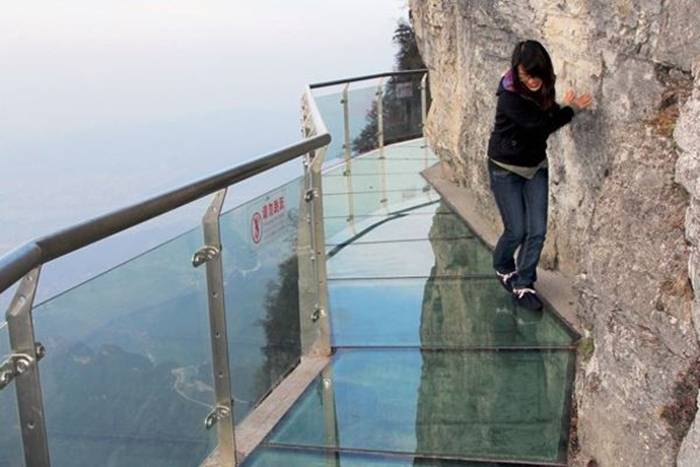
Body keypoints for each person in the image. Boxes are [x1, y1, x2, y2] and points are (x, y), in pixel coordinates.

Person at [486, 40, 592, 310]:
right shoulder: (509, 97)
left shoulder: (545, 84)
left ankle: (523, 284)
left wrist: (559, 107)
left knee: (538, 231)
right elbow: (538, 125)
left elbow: (544, 113)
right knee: (517, 230)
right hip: (505, 168)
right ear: (517, 73)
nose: (532, 81)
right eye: (526, 76)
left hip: (535, 166)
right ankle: (502, 264)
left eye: (537, 75)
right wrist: (571, 110)